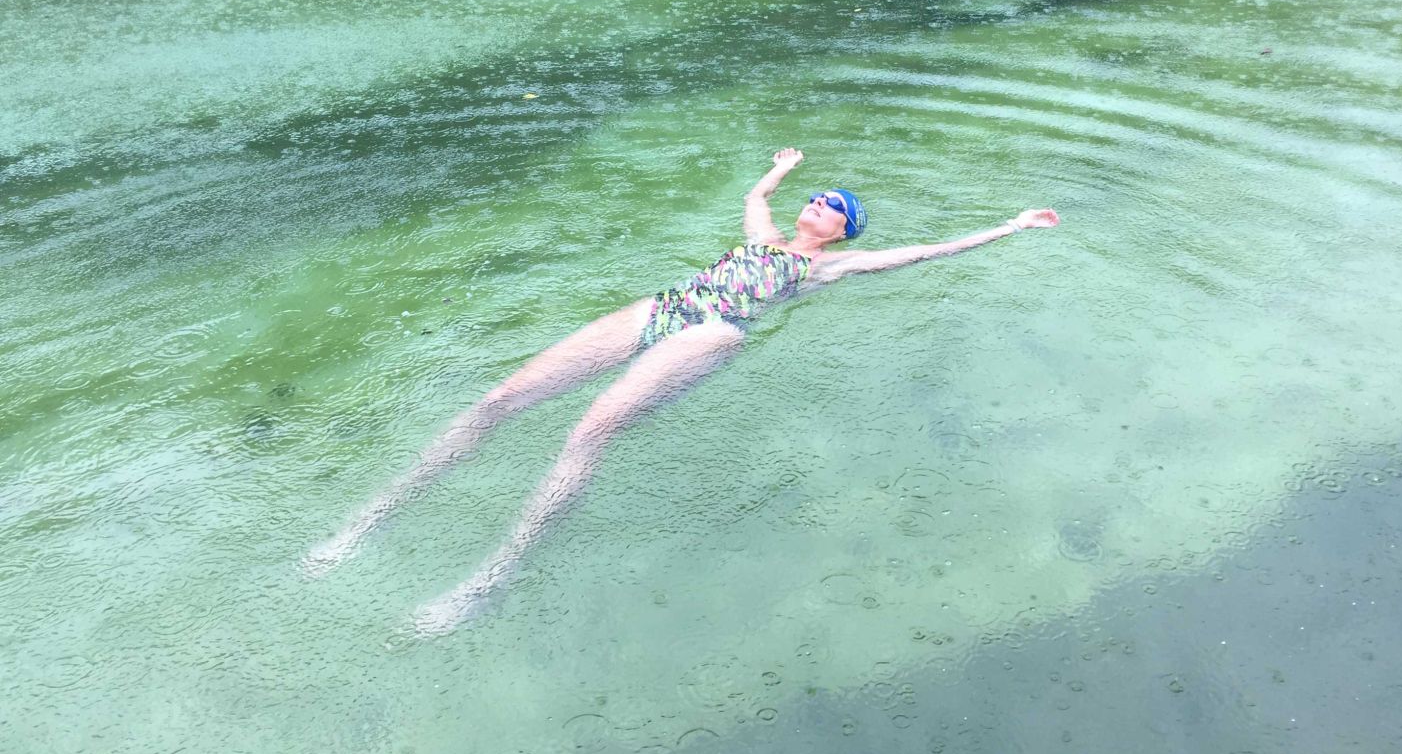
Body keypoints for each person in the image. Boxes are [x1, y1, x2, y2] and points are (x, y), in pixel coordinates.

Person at [304, 147, 1059, 634]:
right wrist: (779, 170)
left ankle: (490, 579)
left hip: (715, 332)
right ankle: (367, 523)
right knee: (501, 399)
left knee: (588, 431)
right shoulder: (764, 237)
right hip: (665, 307)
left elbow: (924, 252)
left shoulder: (826, 267)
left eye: (836, 205)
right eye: (819, 195)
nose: (822, 202)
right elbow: (755, 199)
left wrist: (1010, 226)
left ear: (843, 233)